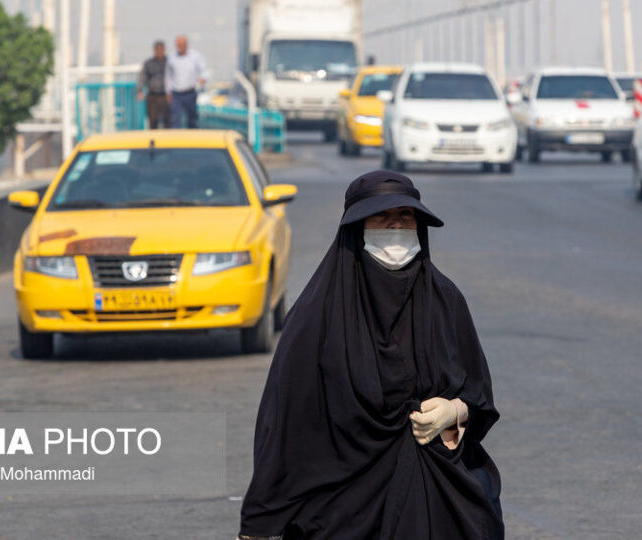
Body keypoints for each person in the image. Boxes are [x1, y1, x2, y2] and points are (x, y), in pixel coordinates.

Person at [238, 171, 504, 540]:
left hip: (430, 500)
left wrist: (454, 412)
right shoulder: (316, 318)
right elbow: (285, 427)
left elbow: (479, 397)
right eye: (382, 217)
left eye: (405, 216)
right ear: (356, 228)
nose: (395, 226)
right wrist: (257, 524)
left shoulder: (445, 301)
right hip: (336, 511)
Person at [164, 35, 208, 129]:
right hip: (176, 94)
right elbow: (168, 76)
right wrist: (168, 91)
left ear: (186, 45)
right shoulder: (172, 58)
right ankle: (175, 141)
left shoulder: (195, 56)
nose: (180, 47)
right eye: (178, 45)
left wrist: (203, 78)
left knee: (192, 119)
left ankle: (193, 140)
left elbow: (204, 70)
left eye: (182, 44)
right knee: (175, 119)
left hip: (190, 92)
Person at [137, 40, 169, 129]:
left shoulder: (169, 62)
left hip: (165, 96)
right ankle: (154, 141)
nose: (159, 52)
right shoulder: (149, 63)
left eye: (161, 49)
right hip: (152, 96)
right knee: (152, 120)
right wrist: (139, 90)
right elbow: (142, 77)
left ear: (164, 50)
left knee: (167, 119)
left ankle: (167, 141)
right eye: (157, 50)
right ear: (154, 50)